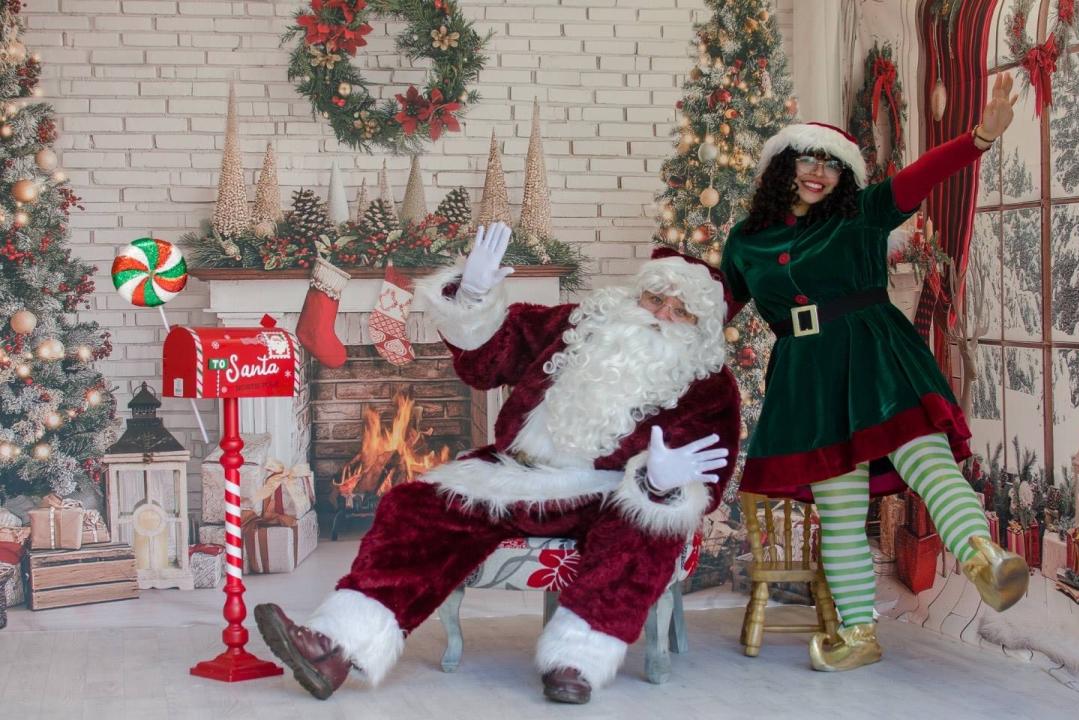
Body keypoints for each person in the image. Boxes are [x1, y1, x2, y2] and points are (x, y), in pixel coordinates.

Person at [254, 223, 741, 704]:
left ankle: (577, 661)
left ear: (700, 328)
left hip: (607, 491)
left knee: (645, 528)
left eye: (681, 311)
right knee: (416, 507)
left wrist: (662, 484)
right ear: (636, 296)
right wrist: (472, 296)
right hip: (514, 475)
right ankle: (335, 647)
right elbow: (486, 362)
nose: (661, 315)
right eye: (655, 299)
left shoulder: (709, 386)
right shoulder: (577, 325)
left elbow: (708, 474)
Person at [720, 72, 1026, 672]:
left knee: (927, 461)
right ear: (783, 165)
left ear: (844, 176)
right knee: (839, 510)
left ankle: (983, 557)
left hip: (874, 353)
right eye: (807, 160)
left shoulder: (860, 212)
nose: (818, 173)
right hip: (806, 374)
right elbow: (715, 307)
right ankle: (859, 633)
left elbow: (919, 178)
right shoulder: (745, 241)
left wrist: (979, 138)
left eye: (832, 166)